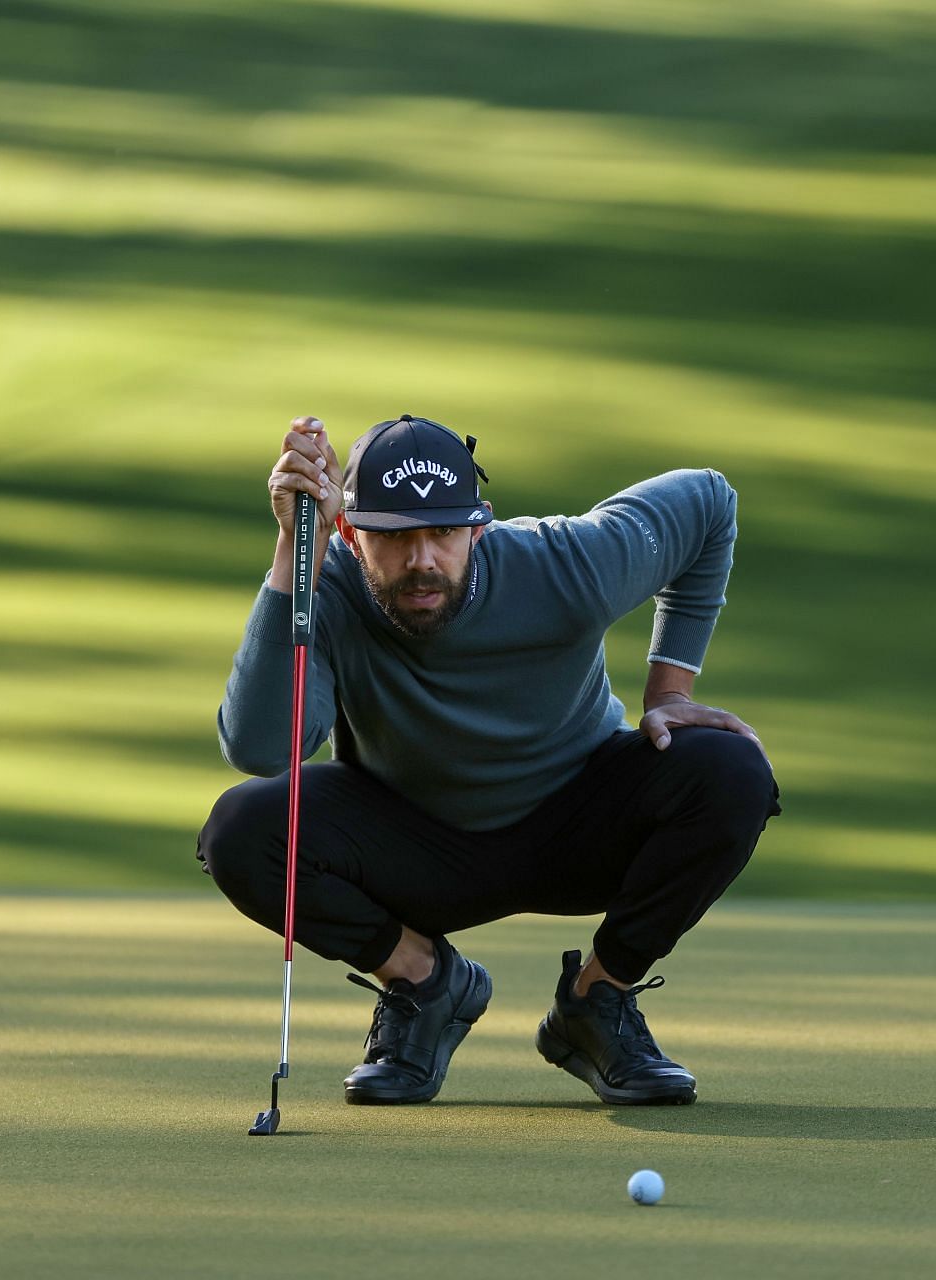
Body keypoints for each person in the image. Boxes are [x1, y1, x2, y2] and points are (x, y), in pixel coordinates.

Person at [197, 413, 780, 1107]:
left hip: (580, 824)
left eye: (443, 531)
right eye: (393, 536)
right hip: (415, 848)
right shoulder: (327, 589)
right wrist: (296, 550)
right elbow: (262, 748)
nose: (422, 560)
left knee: (728, 768)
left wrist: (670, 690)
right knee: (244, 829)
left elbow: (708, 500)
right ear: (351, 533)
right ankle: (424, 982)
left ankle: (598, 1002)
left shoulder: (566, 562)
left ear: (480, 524)